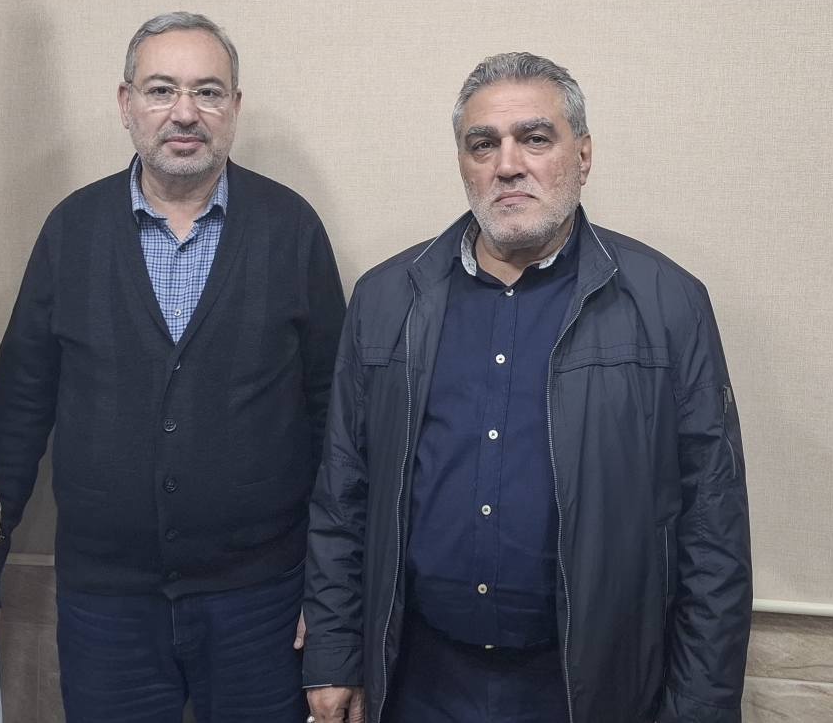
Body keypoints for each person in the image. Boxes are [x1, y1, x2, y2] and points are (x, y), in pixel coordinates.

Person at [302, 52, 752, 723]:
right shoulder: (387, 299)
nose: (507, 164)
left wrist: (700, 709)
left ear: (583, 155)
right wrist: (334, 653)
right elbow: (344, 492)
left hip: (585, 689)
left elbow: (713, 530)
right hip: (420, 678)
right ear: (463, 163)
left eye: (535, 138)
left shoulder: (668, 304)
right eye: (483, 144)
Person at [0, 12, 346, 722]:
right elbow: (19, 410)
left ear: (234, 108)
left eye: (207, 92)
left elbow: (336, 420)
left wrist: (334, 599)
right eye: (161, 90)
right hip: (106, 607)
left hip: (262, 603)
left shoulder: (291, 228)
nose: (185, 113)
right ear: (126, 104)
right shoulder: (71, 230)